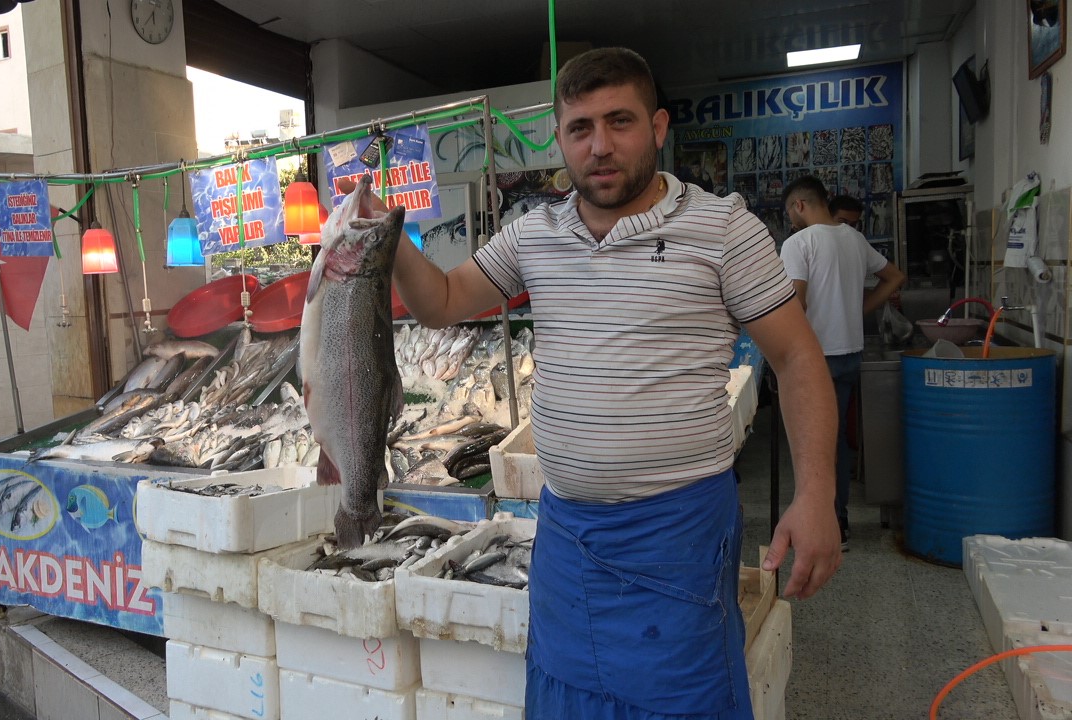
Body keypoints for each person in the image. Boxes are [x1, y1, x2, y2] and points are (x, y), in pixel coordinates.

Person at [346, 47, 841, 719]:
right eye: (581, 128)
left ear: (658, 128)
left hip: (678, 536)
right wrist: (385, 234)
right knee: (565, 700)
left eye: (620, 122)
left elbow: (800, 360)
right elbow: (439, 301)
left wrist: (816, 495)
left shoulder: (723, 228)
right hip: (568, 537)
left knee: (681, 701)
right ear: (560, 139)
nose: (600, 146)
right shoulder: (533, 233)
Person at [782, 177, 906, 551]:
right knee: (834, 443)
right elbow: (895, 277)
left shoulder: (798, 243)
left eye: (790, 211)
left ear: (800, 205)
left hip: (814, 357)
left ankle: (830, 525)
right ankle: (835, 519)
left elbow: (795, 305)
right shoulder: (854, 239)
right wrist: (860, 307)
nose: (791, 219)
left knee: (814, 445)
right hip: (849, 354)